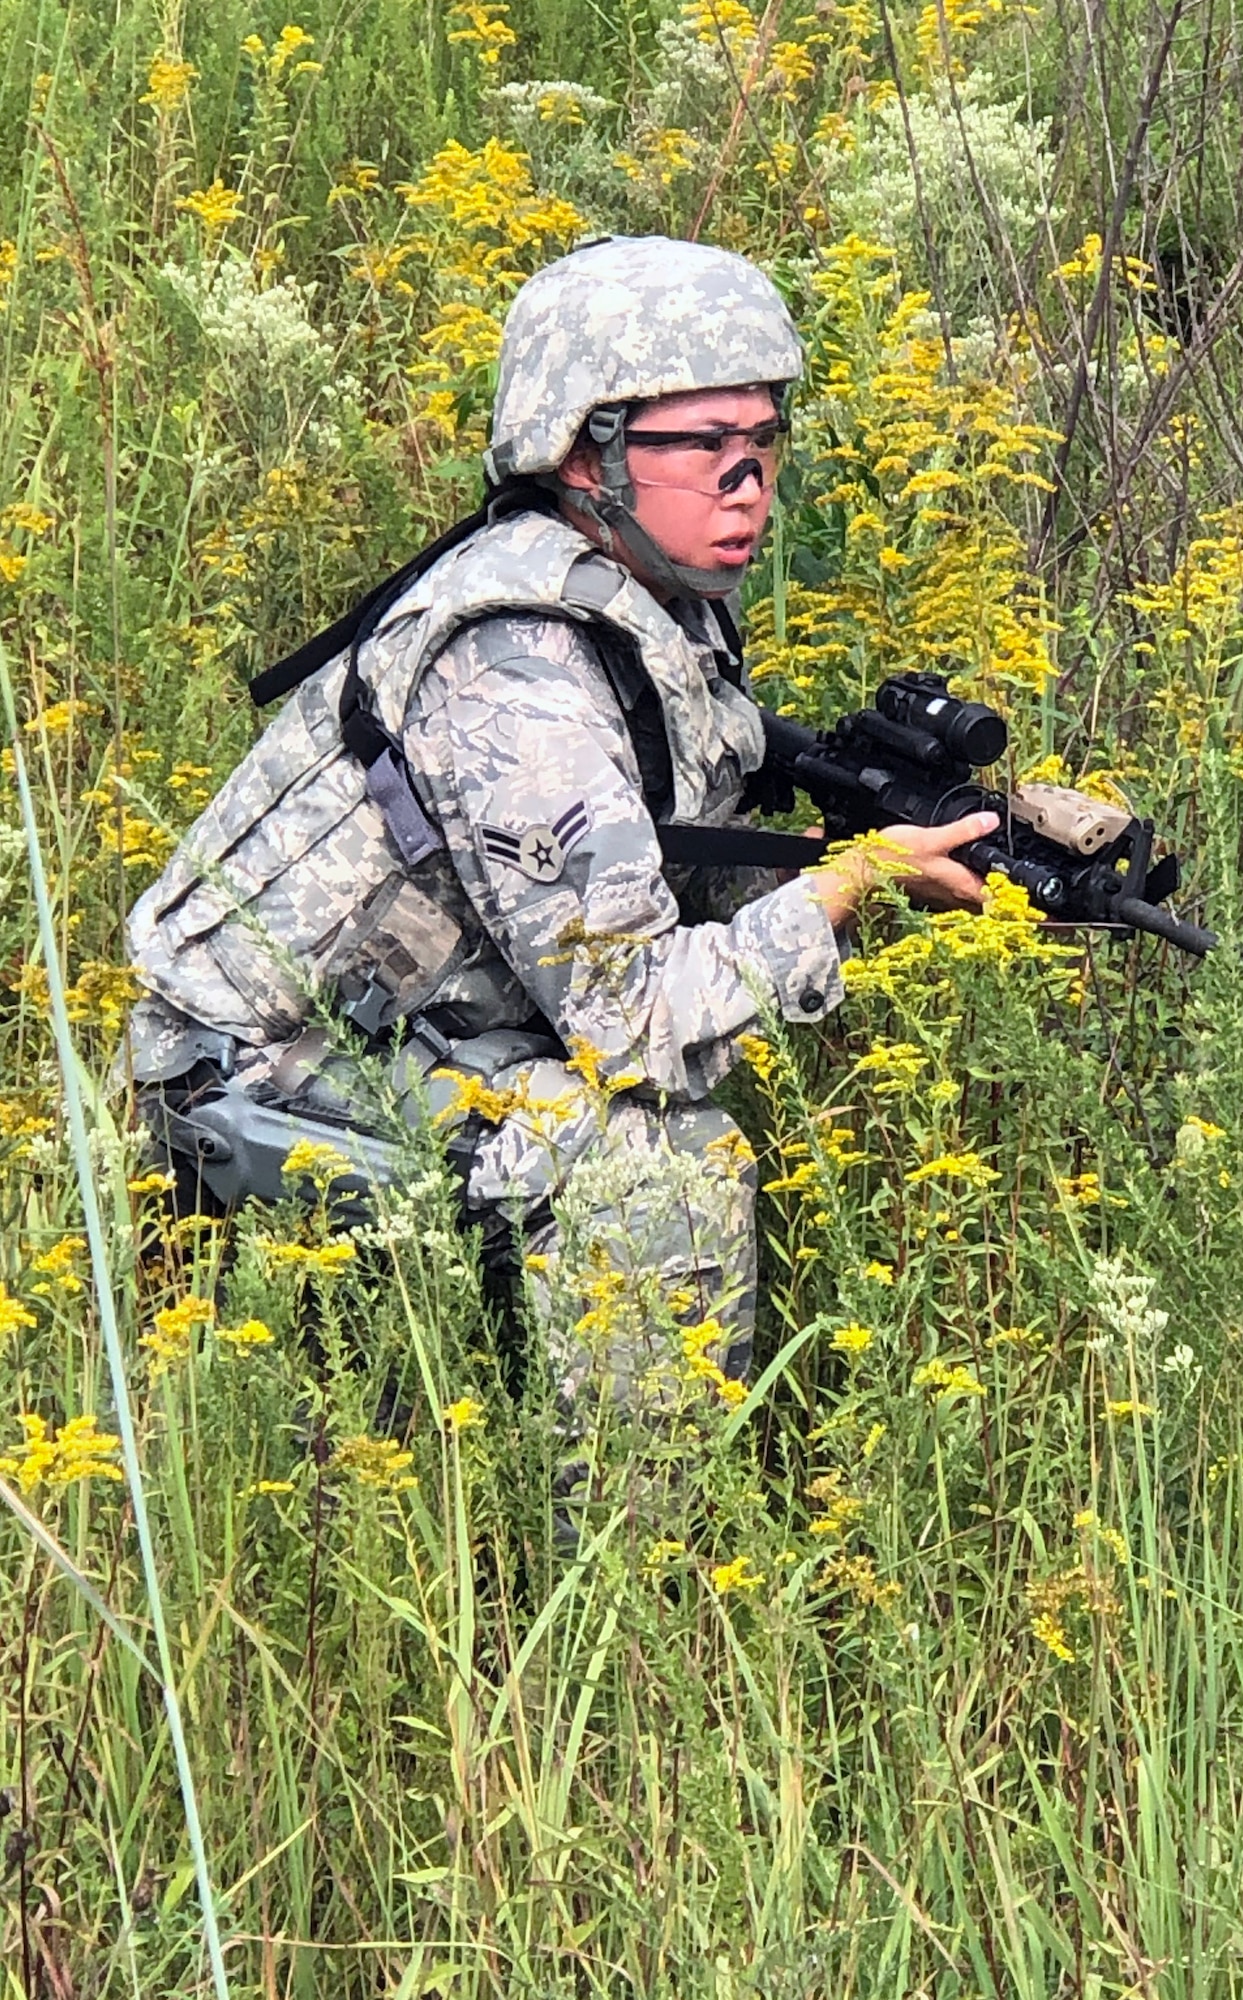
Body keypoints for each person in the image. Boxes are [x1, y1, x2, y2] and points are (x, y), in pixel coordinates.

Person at [123, 234, 998, 1419]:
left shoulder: (653, 597)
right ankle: (644, 1561)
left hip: (427, 1016)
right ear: (586, 458)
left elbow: (653, 864)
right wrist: (847, 890)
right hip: (264, 1064)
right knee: (653, 1165)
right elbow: (628, 1017)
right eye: (703, 446)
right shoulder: (515, 660)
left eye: (763, 441)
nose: (748, 484)